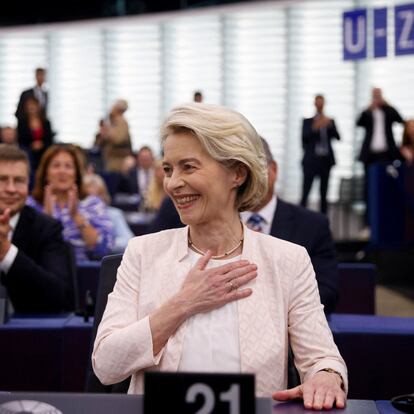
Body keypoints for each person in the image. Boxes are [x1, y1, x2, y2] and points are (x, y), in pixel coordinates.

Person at [92, 103, 347, 409]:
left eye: (189, 167)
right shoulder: (142, 252)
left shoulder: (288, 260)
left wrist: (326, 376)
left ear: (237, 173)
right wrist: (183, 303)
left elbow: (322, 358)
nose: (172, 183)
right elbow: (106, 366)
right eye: (169, 169)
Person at [241, 137, 339, 314]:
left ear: (274, 170)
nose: (249, 179)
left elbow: (326, 293)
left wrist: (268, 311)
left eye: (256, 169)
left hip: (289, 332)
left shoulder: (313, 226)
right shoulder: (208, 224)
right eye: (241, 171)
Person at [0, 144, 74, 313]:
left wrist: (6, 252)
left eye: (19, 181)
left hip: (25, 333)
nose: (11, 189)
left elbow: (59, 296)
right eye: (2, 179)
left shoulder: (47, 228)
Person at [30, 144, 114, 262]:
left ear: (76, 174)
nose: (62, 171)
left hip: (84, 275)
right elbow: (26, 252)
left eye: (68, 166)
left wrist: (76, 216)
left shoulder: (93, 204)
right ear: (45, 173)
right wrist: (46, 219)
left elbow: (104, 250)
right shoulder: (31, 205)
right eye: (56, 165)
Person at [356, 88, 405, 228]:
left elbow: (400, 119)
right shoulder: (368, 113)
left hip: (386, 155)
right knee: (368, 189)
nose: (377, 98)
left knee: (387, 187)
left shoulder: (388, 111)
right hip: (370, 156)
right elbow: (358, 122)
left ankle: (386, 220)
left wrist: (387, 104)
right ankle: (368, 222)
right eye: (375, 96)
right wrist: (368, 108)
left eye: (379, 96)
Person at [300, 95, 340, 215]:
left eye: (321, 103)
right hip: (311, 162)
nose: (319, 105)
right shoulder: (307, 122)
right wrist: (315, 128)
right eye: (317, 103)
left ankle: (324, 220)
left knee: (324, 193)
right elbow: (304, 139)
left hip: (325, 162)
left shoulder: (329, 121)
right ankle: (300, 218)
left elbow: (338, 137)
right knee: (306, 192)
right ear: (314, 104)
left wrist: (330, 125)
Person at [84, 173, 134, 253]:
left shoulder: (114, 214)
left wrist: (102, 241)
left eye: (97, 196)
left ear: (104, 195)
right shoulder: (75, 215)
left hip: (106, 261)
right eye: (87, 197)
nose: (93, 202)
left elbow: (128, 241)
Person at [17, 96, 54, 173]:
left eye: (33, 105)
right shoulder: (22, 123)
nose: (31, 108)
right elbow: (20, 140)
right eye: (29, 106)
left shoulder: (46, 122)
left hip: (43, 150)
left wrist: (41, 144)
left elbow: (49, 139)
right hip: (28, 150)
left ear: (38, 106)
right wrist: (32, 145)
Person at [101, 99, 132, 172]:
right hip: (110, 159)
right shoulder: (111, 121)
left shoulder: (121, 122)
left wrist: (108, 133)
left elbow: (118, 139)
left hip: (118, 161)